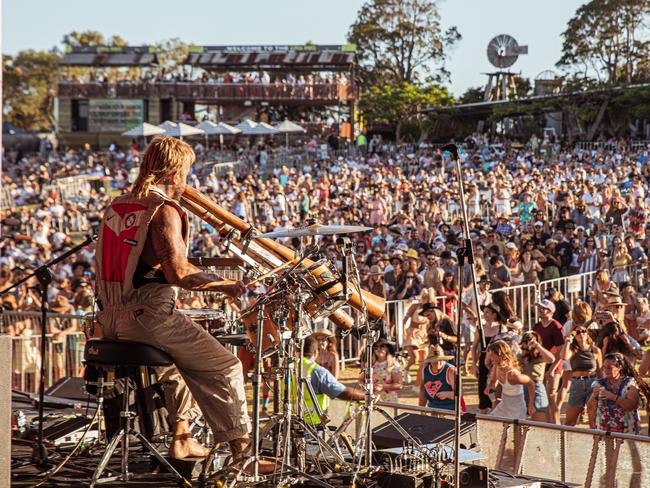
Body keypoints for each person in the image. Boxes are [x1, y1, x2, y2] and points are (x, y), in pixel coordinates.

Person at [93, 137, 262, 466]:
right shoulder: (164, 210)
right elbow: (179, 273)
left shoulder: (117, 206)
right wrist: (229, 285)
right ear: (173, 173)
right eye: (186, 172)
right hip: (148, 317)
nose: (187, 180)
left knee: (179, 367)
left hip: (109, 317)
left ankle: (182, 439)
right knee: (226, 367)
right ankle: (244, 454)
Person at [299, 335, 367, 425]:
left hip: (290, 421)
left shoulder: (291, 366)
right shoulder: (316, 370)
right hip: (311, 423)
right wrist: (366, 396)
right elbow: (342, 392)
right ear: (315, 352)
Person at [587, 353, 641, 435]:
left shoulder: (629, 383)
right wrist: (594, 396)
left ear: (619, 367)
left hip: (626, 430)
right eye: (604, 367)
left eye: (609, 367)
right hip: (604, 429)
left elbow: (632, 406)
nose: (606, 370)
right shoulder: (599, 383)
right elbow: (590, 408)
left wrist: (613, 397)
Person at [560, 324, 602, 426]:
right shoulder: (573, 349)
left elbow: (600, 371)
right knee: (570, 420)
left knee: (593, 420)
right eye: (578, 332)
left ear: (587, 334)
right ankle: (565, 441)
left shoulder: (595, 350)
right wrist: (568, 341)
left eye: (583, 331)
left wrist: (602, 386)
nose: (581, 334)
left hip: (592, 382)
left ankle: (595, 441)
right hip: (577, 383)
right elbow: (564, 356)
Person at [533, 299, 565, 424]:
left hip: (554, 367)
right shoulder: (537, 326)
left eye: (544, 308)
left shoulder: (556, 326)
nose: (541, 310)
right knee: (542, 398)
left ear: (551, 311)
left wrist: (552, 369)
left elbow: (561, 351)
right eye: (540, 307)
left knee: (551, 396)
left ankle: (556, 425)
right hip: (540, 366)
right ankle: (548, 424)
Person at [486, 340, 536, 420]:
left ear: (500, 355)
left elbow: (531, 383)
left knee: (514, 431)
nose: (489, 358)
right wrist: (490, 387)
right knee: (491, 424)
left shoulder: (512, 375)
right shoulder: (497, 366)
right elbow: (493, 382)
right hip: (504, 406)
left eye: (492, 355)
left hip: (517, 409)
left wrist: (530, 404)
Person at [518, 331, 555, 422]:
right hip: (522, 387)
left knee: (539, 420)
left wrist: (537, 345)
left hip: (536, 387)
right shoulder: (521, 355)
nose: (528, 342)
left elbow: (551, 359)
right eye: (526, 339)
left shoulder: (540, 355)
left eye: (530, 339)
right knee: (523, 421)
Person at [359, 338, 402, 403]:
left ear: (388, 349)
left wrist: (383, 386)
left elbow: (399, 385)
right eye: (376, 347)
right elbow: (361, 380)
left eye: (382, 346)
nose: (378, 349)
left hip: (389, 401)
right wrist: (365, 387)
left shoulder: (394, 365)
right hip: (371, 401)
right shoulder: (369, 365)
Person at [419, 345, 457, 411]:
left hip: (450, 410)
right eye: (435, 361)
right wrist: (422, 409)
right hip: (433, 409)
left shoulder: (451, 371)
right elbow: (422, 389)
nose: (438, 363)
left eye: (440, 360)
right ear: (430, 361)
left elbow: (459, 393)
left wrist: (447, 394)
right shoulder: (425, 370)